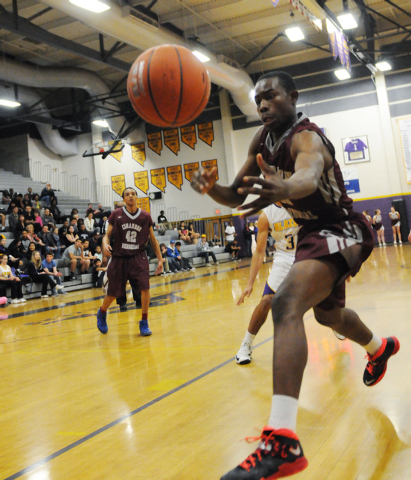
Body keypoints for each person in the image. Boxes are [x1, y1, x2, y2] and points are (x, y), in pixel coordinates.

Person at [191, 70, 400, 480]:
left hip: (343, 229)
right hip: (312, 235)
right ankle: (379, 348)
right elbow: (236, 195)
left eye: (271, 96)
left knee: (285, 303)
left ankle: (282, 440)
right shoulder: (262, 141)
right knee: (329, 317)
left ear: (293, 96)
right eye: (257, 100)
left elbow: (307, 175)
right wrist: (211, 189)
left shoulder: (307, 137)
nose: (263, 104)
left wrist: (285, 189)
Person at [235, 205, 298, 364]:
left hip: (306, 253)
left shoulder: (300, 200)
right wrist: (250, 283)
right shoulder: (266, 216)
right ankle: (246, 344)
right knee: (266, 300)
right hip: (284, 257)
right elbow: (259, 251)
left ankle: (335, 320)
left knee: (323, 288)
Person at [96, 187, 162, 337]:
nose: (130, 196)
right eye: (127, 194)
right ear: (123, 199)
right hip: (119, 257)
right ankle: (102, 312)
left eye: (133, 194)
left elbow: (153, 239)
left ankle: (144, 322)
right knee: (113, 293)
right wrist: (105, 245)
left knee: (145, 288)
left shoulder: (145, 216)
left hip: (138, 256)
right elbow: (107, 236)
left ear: (136, 197)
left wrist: (160, 259)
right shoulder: (116, 214)